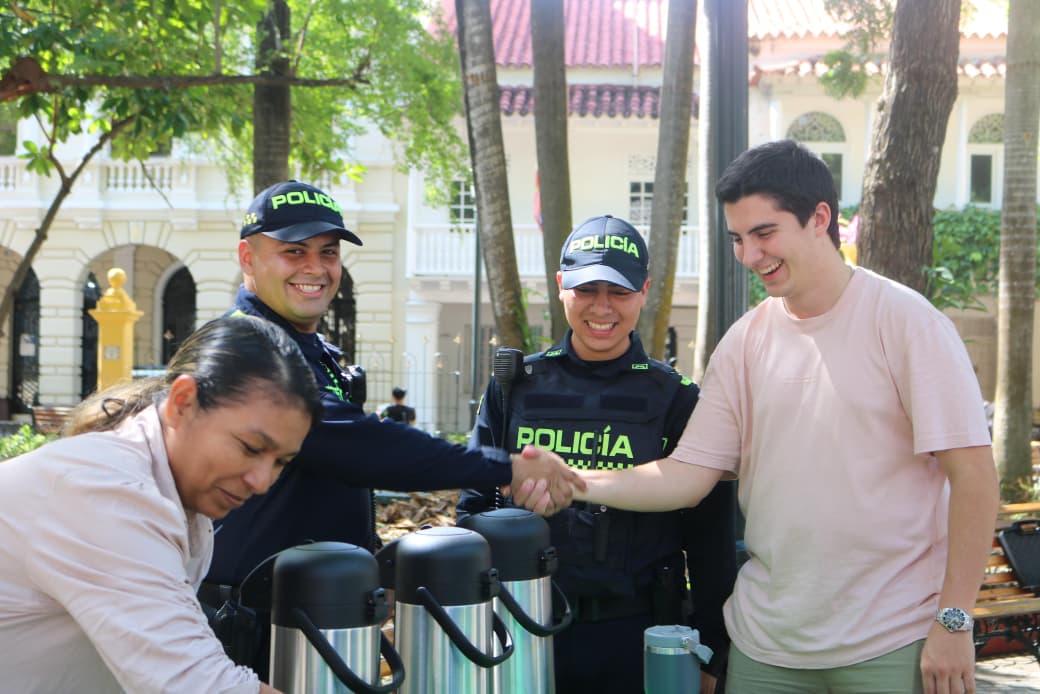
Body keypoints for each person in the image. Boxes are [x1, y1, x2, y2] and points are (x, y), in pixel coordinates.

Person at [515, 141, 1000, 694]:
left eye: (764, 233)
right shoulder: (745, 341)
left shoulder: (908, 323)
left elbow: (974, 478)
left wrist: (954, 620)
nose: (748, 255)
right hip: (765, 649)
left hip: (891, 642)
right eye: (737, 238)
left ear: (820, 218)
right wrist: (572, 480)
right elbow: (686, 476)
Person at [206, 179, 582, 676]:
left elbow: (329, 477)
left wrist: (373, 564)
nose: (315, 267)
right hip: (253, 632)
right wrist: (505, 467)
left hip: (323, 611)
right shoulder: (246, 349)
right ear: (248, 258)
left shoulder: (304, 348)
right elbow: (359, 446)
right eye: (293, 251)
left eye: (328, 252)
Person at [458, 215, 737, 694]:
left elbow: (710, 539)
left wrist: (714, 649)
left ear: (644, 291)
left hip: (641, 639)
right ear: (561, 285)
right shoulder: (514, 387)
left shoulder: (676, 397)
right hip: (522, 633)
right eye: (586, 289)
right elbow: (471, 514)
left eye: (619, 291)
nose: (602, 307)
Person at [0, 316, 323, 694]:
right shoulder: (106, 490)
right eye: (250, 448)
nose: (262, 481)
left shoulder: (167, 492)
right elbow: (197, 684)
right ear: (183, 402)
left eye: (281, 462)